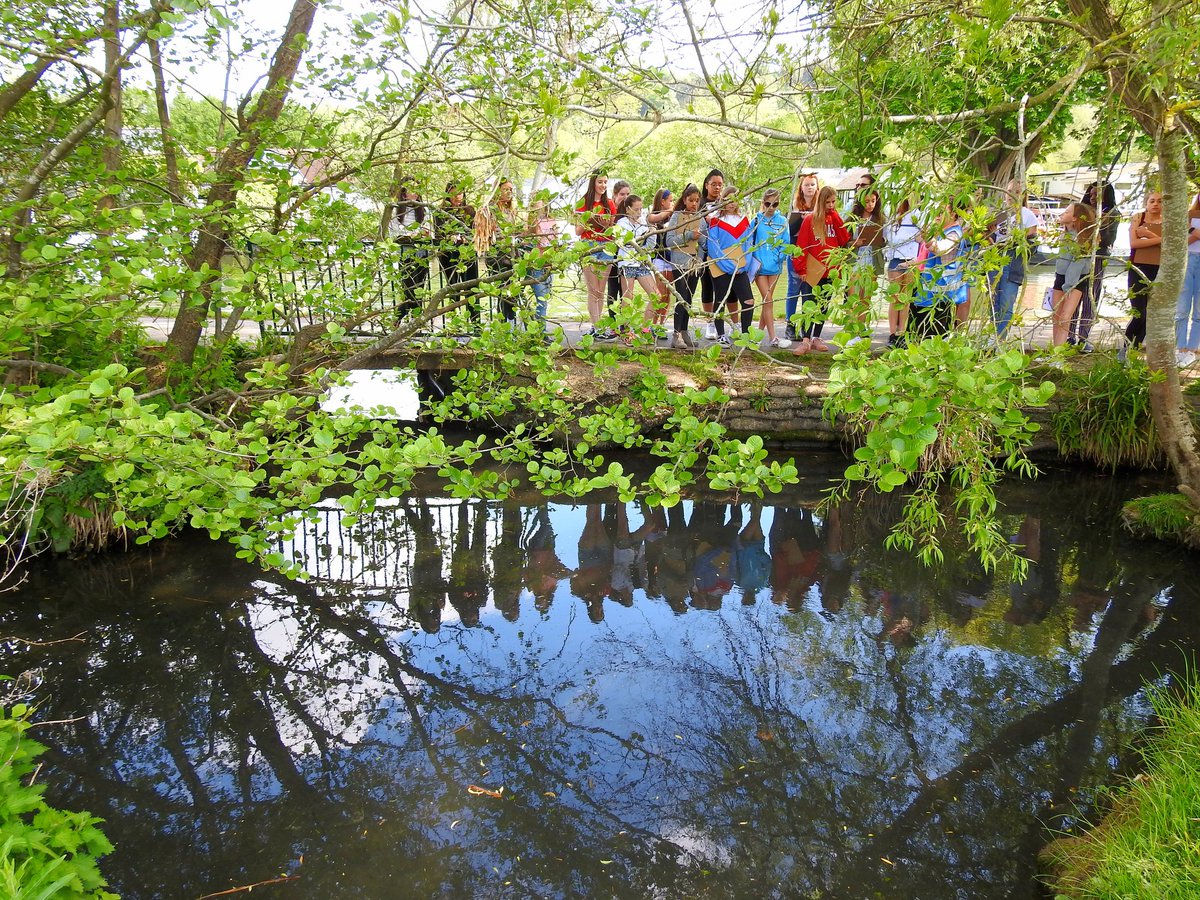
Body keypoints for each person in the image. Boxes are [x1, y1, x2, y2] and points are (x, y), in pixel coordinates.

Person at [791, 185, 850, 354]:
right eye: (827, 202)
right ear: (821, 202)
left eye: (833, 202)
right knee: (810, 304)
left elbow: (844, 238)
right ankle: (805, 340)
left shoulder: (834, 218)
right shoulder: (810, 220)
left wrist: (836, 216)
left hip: (830, 269)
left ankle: (817, 337)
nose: (831, 205)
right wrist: (801, 269)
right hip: (813, 269)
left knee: (824, 304)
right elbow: (802, 245)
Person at [1071, 181, 1119, 350]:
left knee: (1091, 296)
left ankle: (1083, 337)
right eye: (1090, 194)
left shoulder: (1112, 213)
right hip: (1078, 256)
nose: (1092, 198)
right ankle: (1069, 336)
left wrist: (1097, 225)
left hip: (1097, 257)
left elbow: (1108, 240)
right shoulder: (1080, 211)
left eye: (1097, 194)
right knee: (1073, 295)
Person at [990, 181, 1040, 339]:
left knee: (1006, 302)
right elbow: (989, 235)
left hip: (1013, 264)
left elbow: (1032, 243)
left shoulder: (1027, 215)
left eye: (1017, 192)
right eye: (1010, 191)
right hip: (995, 260)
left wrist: (1014, 241)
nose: (1012, 195)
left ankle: (1001, 338)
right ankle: (993, 336)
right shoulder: (999, 213)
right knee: (993, 302)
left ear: (1023, 195)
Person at [705, 186, 754, 347]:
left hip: (740, 268)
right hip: (722, 267)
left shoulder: (744, 220)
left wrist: (742, 263)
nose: (732, 204)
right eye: (728, 200)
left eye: (735, 200)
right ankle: (721, 335)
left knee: (748, 301)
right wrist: (727, 264)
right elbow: (713, 245)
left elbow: (748, 244)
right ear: (722, 200)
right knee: (721, 300)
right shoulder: (715, 221)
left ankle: (746, 335)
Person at [910, 205, 968, 339]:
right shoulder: (936, 230)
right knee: (919, 330)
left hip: (942, 295)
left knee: (936, 335)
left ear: (953, 214)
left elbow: (942, 248)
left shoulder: (954, 232)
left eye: (941, 212)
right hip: (928, 292)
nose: (937, 215)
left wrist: (929, 239)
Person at [1050, 202, 1099, 347]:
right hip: (1060, 277)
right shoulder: (1064, 235)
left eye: (1067, 212)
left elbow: (1077, 265)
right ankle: (1055, 350)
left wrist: (1069, 286)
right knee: (1056, 316)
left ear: (1075, 218)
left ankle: (1058, 354)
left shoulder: (1084, 238)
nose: (1063, 214)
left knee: (1065, 317)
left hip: (1075, 281)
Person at [382, 179, 432, 319]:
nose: (414, 194)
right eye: (411, 190)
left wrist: (422, 233)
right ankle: (403, 317)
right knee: (409, 289)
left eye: (417, 191)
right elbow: (393, 232)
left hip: (422, 254)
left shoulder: (424, 210)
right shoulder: (396, 210)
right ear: (404, 193)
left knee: (419, 288)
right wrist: (408, 235)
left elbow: (428, 230)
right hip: (405, 253)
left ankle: (413, 319)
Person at [574, 173, 616, 338]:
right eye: (600, 182)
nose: (603, 185)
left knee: (601, 290)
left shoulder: (610, 204)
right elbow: (578, 230)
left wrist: (605, 224)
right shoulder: (583, 202)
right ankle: (597, 327)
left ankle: (597, 327)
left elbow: (612, 228)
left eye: (606, 182)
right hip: (589, 245)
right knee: (593, 290)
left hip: (606, 246)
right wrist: (589, 219)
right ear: (593, 183)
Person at [613, 194, 661, 337]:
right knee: (628, 297)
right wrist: (641, 237)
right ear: (628, 209)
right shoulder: (621, 224)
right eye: (636, 209)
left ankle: (645, 328)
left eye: (641, 209)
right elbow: (624, 243)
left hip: (642, 263)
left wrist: (652, 234)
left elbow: (649, 248)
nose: (639, 213)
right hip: (627, 263)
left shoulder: (643, 223)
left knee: (656, 296)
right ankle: (626, 331)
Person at [749, 188, 791, 348]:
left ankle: (758, 334)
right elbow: (750, 242)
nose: (771, 207)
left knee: (768, 301)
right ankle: (773, 338)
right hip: (759, 267)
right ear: (762, 203)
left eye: (775, 204)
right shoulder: (756, 220)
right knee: (768, 299)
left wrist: (780, 257)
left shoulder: (782, 221)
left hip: (775, 267)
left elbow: (786, 243)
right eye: (768, 204)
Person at [475, 179, 522, 323]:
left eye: (511, 189)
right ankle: (503, 324)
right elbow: (489, 232)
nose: (509, 192)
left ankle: (511, 322)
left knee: (513, 290)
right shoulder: (490, 208)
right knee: (502, 290)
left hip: (512, 254)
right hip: (497, 255)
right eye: (506, 189)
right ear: (498, 190)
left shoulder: (511, 209)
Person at [665, 183, 705, 348]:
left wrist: (700, 261)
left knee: (688, 298)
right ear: (684, 200)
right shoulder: (676, 216)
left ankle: (684, 331)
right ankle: (676, 334)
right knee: (680, 297)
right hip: (679, 263)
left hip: (694, 264)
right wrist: (689, 235)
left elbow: (704, 243)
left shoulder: (700, 218)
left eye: (697, 201)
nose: (694, 204)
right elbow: (669, 241)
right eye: (691, 200)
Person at [1123, 190, 1162, 355]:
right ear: (1146, 202)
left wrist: (1148, 235)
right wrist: (1161, 239)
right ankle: (1125, 349)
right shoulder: (1138, 218)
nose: (1155, 204)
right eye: (1152, 201)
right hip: (1138, 268)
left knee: (1151, 315)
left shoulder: (1169, 222)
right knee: (1139, 313)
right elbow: (1134, 243)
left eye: (1159, 201)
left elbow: (1171, 248)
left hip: (1160, 269)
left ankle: (1135, 349)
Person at [435, 182, 479, 323]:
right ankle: (455, 323)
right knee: (453, 288)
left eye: (459, 193)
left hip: (468, 254)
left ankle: (474, 322)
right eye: (453, 194)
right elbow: (438, 234)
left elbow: (476, 232)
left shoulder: (470, 211)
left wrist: (468, 238)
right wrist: (449, 237)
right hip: (448, 254)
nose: (457, 197)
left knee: (471, 287)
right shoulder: (440, 212)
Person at [846, 188, 885, 345]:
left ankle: (861, 332)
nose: (870, 205)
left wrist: (880, 240)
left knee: (865, 299)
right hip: (856, 261)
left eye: (873, 201)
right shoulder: (852, 218)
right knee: (853, 298)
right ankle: (851, 333)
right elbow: (845, 241)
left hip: (871, 261)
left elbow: (885, 240)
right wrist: (855, 243)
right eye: (867, 201)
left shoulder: (880, 219)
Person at [882, 196, 922, 348]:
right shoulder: (894, 217)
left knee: (905, 299)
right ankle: (892, 334)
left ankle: (901, 333)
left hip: (912, 260)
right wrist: (913, 237)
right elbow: (890, 238)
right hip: (896, 259)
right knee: (895, 298)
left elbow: (922, 238)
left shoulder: (919, 215)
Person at [785, 172, 819, 341]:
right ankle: (790, 325)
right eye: (807, 185)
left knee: (809, 291)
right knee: (793, 289)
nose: (810, 188)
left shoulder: (821, 206)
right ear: (801, 187)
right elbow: (788, 231)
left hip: (813, 253)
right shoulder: (794, 205)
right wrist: (801, 218)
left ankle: (805, 328)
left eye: (813, 184)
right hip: (796, 249)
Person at [698, 169, 726, 338]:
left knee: (723, 289)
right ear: (707, 185)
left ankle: (724, 323)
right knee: (707, 286)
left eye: (720, 184)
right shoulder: (700, 204)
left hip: (723, 251)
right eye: (713, 184)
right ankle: (709, 323)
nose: (716, 187)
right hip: (705, 251)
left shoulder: (726, 203)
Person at [525, 199, 559, 331]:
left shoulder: (552, 220)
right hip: (536, 265)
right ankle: (541, 332)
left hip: (548, 265)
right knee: (541, 299)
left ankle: (538, 328)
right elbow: (532, 238)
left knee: (545, 298)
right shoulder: (530, 223)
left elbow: (556, 241)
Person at [646, 188, 676, 337]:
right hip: (658, 257)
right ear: (662, 201)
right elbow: (656, 218)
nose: (672, 203)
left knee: (668, 294)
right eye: (670, 200)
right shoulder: (653, 216)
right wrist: (671, 209)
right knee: (660, 292)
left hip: (671, 258)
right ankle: (653, 323)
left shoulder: (673, 218)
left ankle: (661, 325)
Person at [1177, 190, 1200, 367]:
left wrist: (1192, 231)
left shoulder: (1189, 220)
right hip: (1188, 259)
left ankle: (1192, 349)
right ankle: (1180, 348)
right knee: (1182, 307)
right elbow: (1180, 242)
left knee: (1199, 310)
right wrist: (1194, 233)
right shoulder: (1188, 214)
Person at [606, 180, 633, 322]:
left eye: (628, 194)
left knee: (626, 290)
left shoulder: (629, 213)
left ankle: (624, 323)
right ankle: (612, 323)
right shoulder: (611, 211)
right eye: (622, 194)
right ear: (615, 194)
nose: (625, 196)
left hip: (626, 256)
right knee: (612, 290)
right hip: (611, 254)